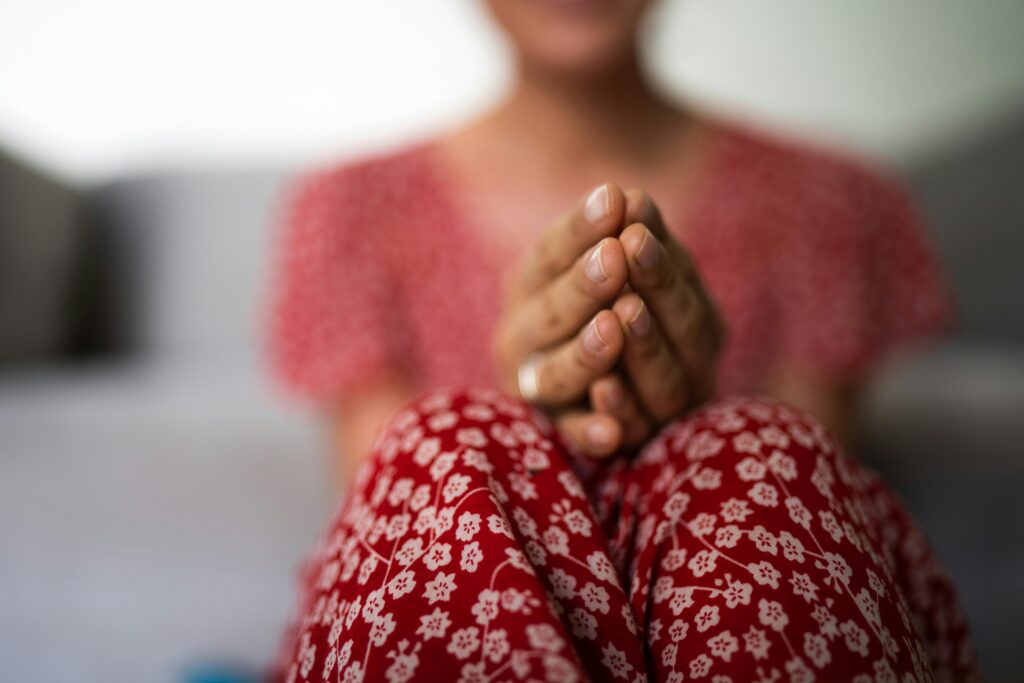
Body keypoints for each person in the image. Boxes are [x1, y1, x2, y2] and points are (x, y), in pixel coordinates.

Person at [267, 2, 976, 681]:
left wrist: (695, 406)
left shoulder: (831, 196)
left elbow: (814, 484)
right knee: (443, 441)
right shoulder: (351, 206)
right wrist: (527, 404)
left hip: (720, 603)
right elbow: (389, 509)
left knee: (759, 447)